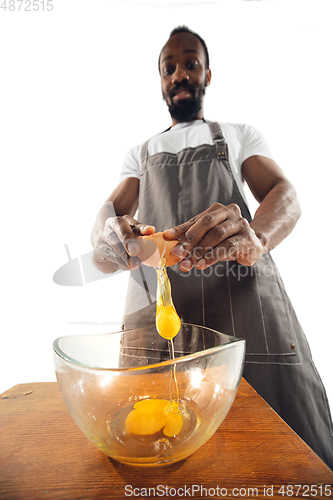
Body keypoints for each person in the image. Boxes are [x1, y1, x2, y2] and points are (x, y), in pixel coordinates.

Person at [91, 26, 333, 468]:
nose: (180, 73)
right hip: (157, 306)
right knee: (151, 444)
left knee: (282, 451)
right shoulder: (139, 153)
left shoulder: (238, 135)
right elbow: (109, 212)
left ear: (207, 74)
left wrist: (258, 237)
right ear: (161, 80)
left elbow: (284, 192)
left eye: (191, 64)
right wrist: (107, 237)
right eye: (169, 68)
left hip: (244, 301)